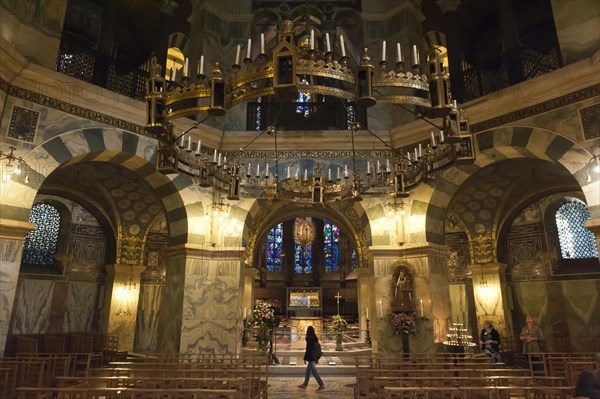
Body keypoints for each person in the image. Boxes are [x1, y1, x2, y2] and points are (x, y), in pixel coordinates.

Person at [297, 326, 325, 392]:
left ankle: (321, 385)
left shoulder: (309, 338)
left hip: (311, 357)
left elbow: (308, 350)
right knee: (308, 371)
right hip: (314, 356)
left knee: (314, 372)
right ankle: (304, 385)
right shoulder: (315, 337)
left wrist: (305, 358)